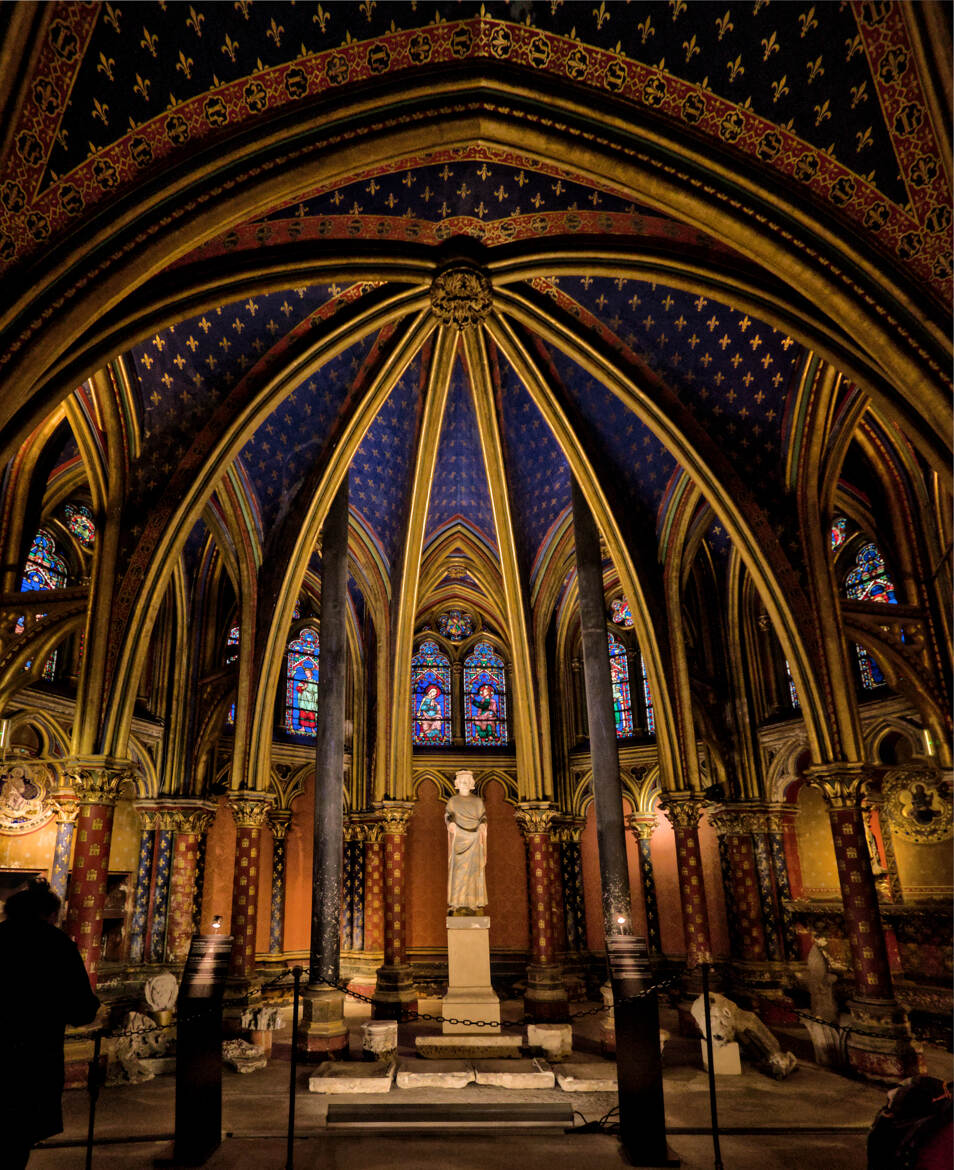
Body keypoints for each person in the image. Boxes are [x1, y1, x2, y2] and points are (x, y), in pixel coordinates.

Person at [0, 878, 100, 1168]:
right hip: (34, 1057)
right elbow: (81, 1009)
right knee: (17, 1137)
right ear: (50, 914)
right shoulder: (56, 945)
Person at [444, 769, 488, 913]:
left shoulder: (477, 801)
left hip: (475, 840)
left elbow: (483, 817)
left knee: (474, 872)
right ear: (457, 783)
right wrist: (450, 823)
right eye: (461, 781)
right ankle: (457, 903)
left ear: (471, 784)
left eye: (466, 781)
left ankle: (473, 903)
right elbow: (448, 816)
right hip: (459, 841)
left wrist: (482, 824)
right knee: (458, 873)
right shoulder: (453, 801)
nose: (464, 783)